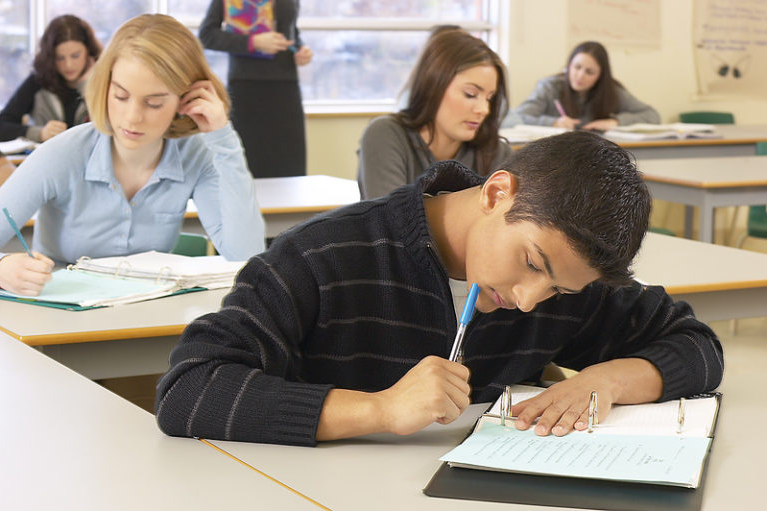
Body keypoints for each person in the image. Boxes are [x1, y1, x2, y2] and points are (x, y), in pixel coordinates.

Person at [155, 131, 723, 447]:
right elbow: (189, 389)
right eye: (530, 262)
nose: (530, 300)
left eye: (559, 292)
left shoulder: (565, 278)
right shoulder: (322, 256)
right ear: (498, 192)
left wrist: (607, 380)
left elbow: (696, 345)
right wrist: (378, 411)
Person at [0, 14, 265, 297]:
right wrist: (3, 268)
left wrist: (222, 139)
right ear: (105, 86)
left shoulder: (196, 154)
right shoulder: (62, 153)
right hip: (60, 321)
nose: (132, 118)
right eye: (121, 96)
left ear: (185, 100)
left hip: (147, 319)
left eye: (154, 103)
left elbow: (246, 257)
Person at [357, 29, 515, 200]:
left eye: (489, 98)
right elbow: (391, 221)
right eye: (470, 94)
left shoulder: (497, 153)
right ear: (433, 86)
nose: (484, 109)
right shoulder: (385, 134)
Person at [199, 0, 312, 178]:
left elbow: (289, 31)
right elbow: (206, 35)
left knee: (291, 167)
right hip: (246, 88)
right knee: (248, 166)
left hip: (286, 88)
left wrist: (300, 49)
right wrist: (252, 42)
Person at [512, 41, 660, 131]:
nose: (580, 76)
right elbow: (517, 117)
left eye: (589, 72)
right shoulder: (550, 87)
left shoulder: (612, 91)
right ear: (568, 66)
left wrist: (615, 122)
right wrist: (554, 122)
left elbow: (652, 115)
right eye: (576, 67)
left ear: (601, 76)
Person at [0, 15, 102, 143]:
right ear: (50, 57)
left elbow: (107, 127)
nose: (68, 65)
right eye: (60, 58)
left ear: (89, 52)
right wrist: (39, 133)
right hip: (47, 159)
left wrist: (85, 87)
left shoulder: (104, 80)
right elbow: (2, 126)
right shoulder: (38, 81)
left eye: (75, 56)